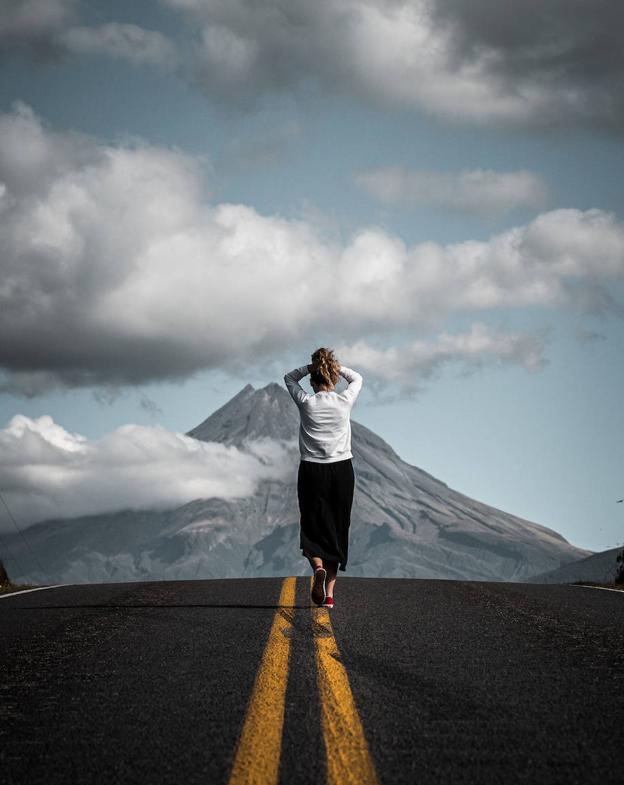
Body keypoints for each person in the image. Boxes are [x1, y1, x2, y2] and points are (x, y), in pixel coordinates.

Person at [283, 347, 363, 610]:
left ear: (314, 380)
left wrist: (312, 366)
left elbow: (289, 377)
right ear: (333, 378)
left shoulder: (306, 402)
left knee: (313, 524)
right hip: (341, 471)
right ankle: (329, 596)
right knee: (337, 528)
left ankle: (317, 567)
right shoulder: (344, 401)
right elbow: (358, 378)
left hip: (311, 471)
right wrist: (333, 367)